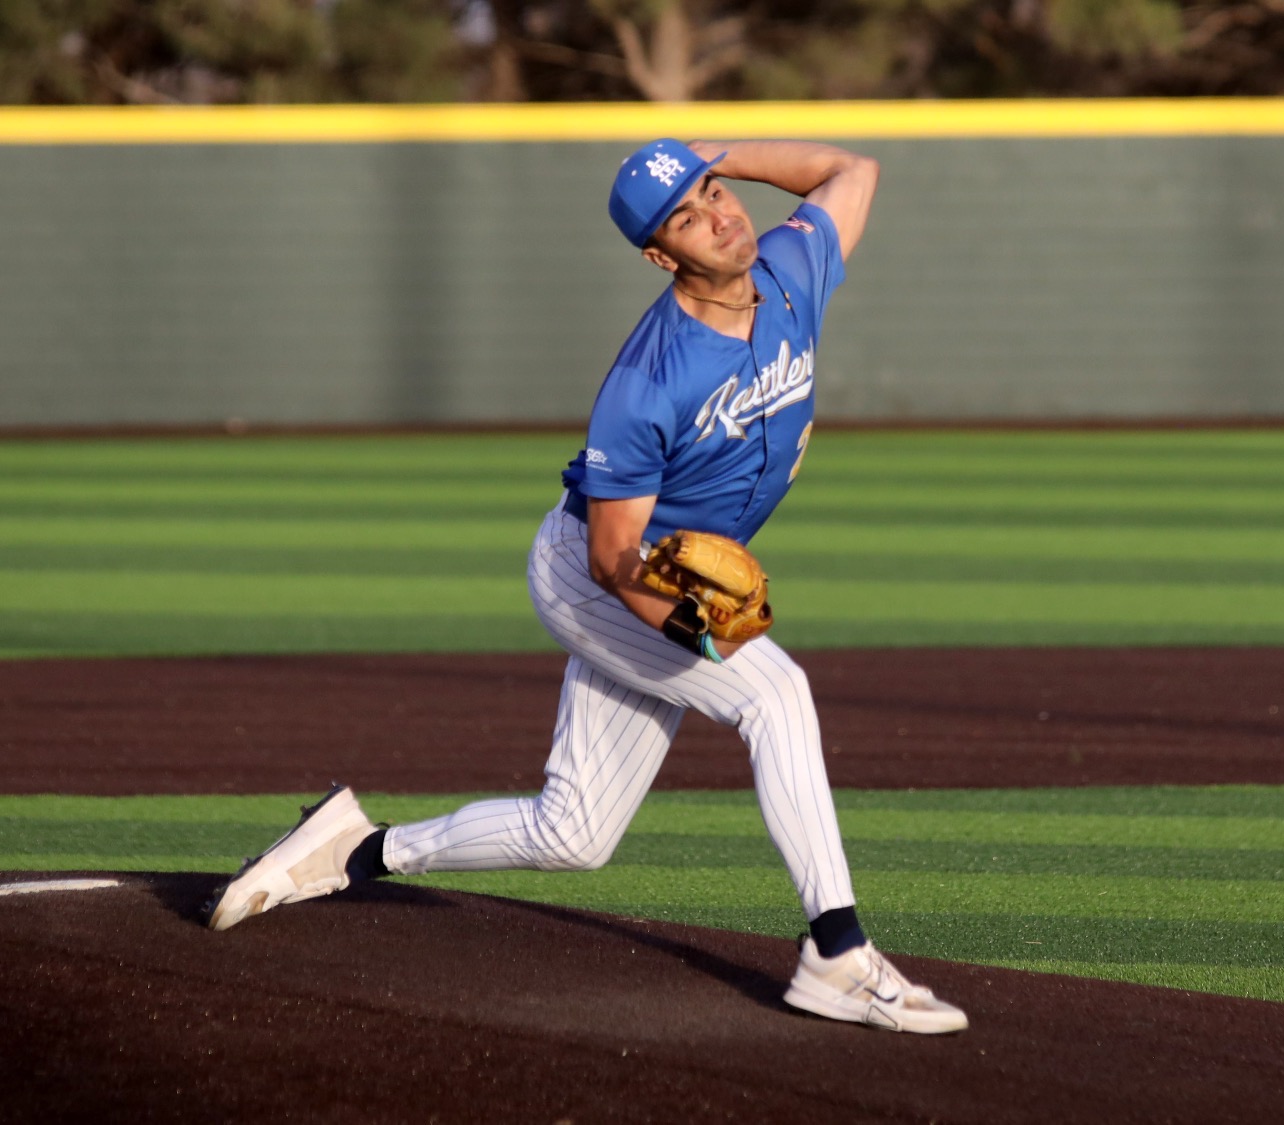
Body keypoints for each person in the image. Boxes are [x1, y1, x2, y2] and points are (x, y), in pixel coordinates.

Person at [207, 137, 966, 1035]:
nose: (721, 215)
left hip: (645, 573)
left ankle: (356, 847)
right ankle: (837, 956)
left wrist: (717, 152)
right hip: (597, 576)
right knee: (775, 693)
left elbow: (855, 173)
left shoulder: (794, 263)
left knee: (575, 833)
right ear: (660, 254)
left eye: (716, 192)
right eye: (688, 215)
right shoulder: (650, 380)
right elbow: (612, 559)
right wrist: (707, 634)